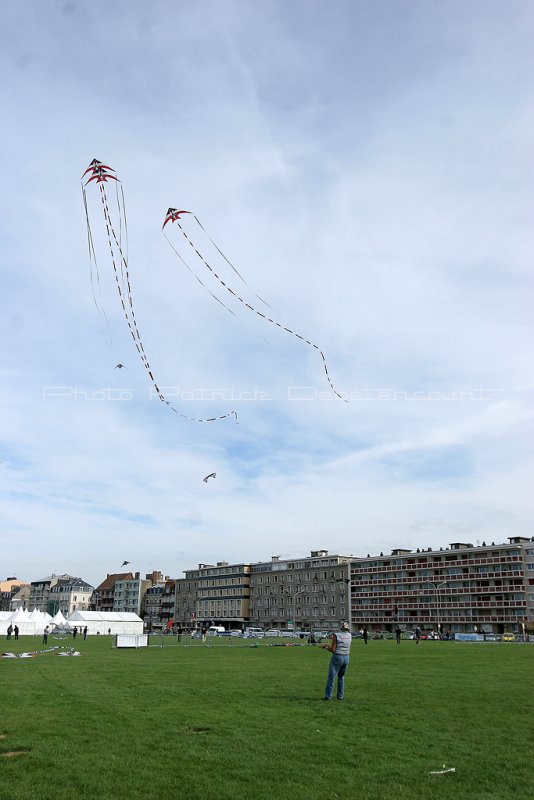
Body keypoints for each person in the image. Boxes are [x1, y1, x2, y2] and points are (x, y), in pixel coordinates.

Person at [322, 622, 352, 701]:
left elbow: (333, 649)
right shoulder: (349, 635)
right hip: (346, 657)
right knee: (341, 677)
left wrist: (326, 647)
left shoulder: (336, 635)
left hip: (337, 657)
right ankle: (340, 696)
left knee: (331, 677)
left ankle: (328, 696)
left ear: (341, 627)